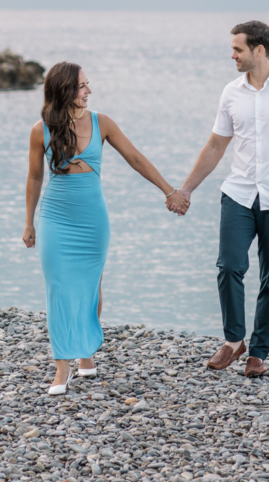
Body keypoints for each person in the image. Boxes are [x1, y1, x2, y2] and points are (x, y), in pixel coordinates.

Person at [166, 20, 269, 377]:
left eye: (238, 49)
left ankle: (259, 352)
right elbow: (216, 145)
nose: (232, 55)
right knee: (229, 266)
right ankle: (234, 340)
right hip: (237, 194)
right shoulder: (230, 93)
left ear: (260, 50)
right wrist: (187, 189)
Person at [24, 61, 182, 394]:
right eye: (82, 86)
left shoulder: (102, 123)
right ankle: (61, 367)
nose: (89, 91)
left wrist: (169, 191)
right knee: (59, 288)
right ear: (65, 89)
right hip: (55, 217)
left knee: (90, 286)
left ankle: (86, 356)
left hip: (92, 220)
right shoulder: (41, 130)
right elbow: (35, 176)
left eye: (88, 84)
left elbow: (135, 158)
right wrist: (28, 222)